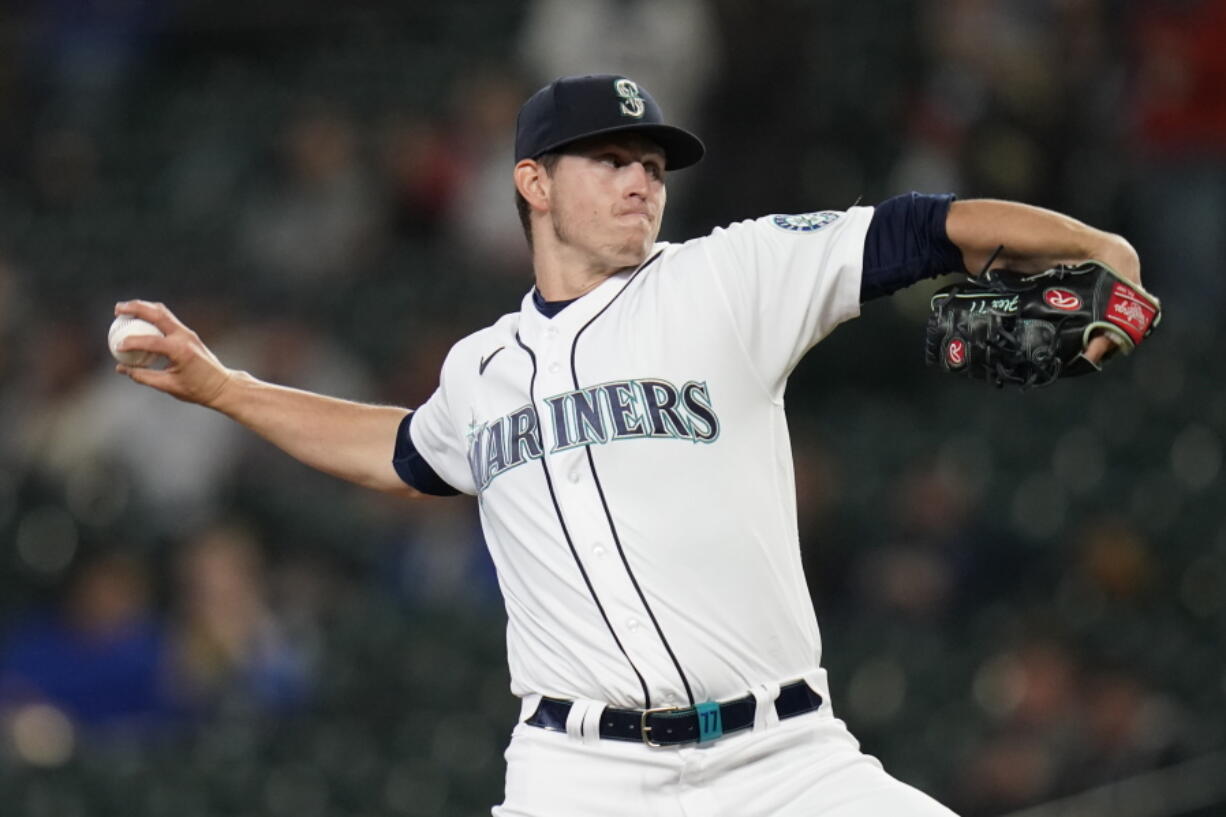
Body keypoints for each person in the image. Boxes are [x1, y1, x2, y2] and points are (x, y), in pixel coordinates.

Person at [114, 75, 1143, 816]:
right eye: (608, 160)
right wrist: (229, 390)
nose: (639, 181)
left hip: (783, 759)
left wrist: (1094, 246)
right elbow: (401, 452)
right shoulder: (481, 367)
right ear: (530, 181)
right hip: (579, 777)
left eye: (649, 165)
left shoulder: (726, 277)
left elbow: (921, 228)